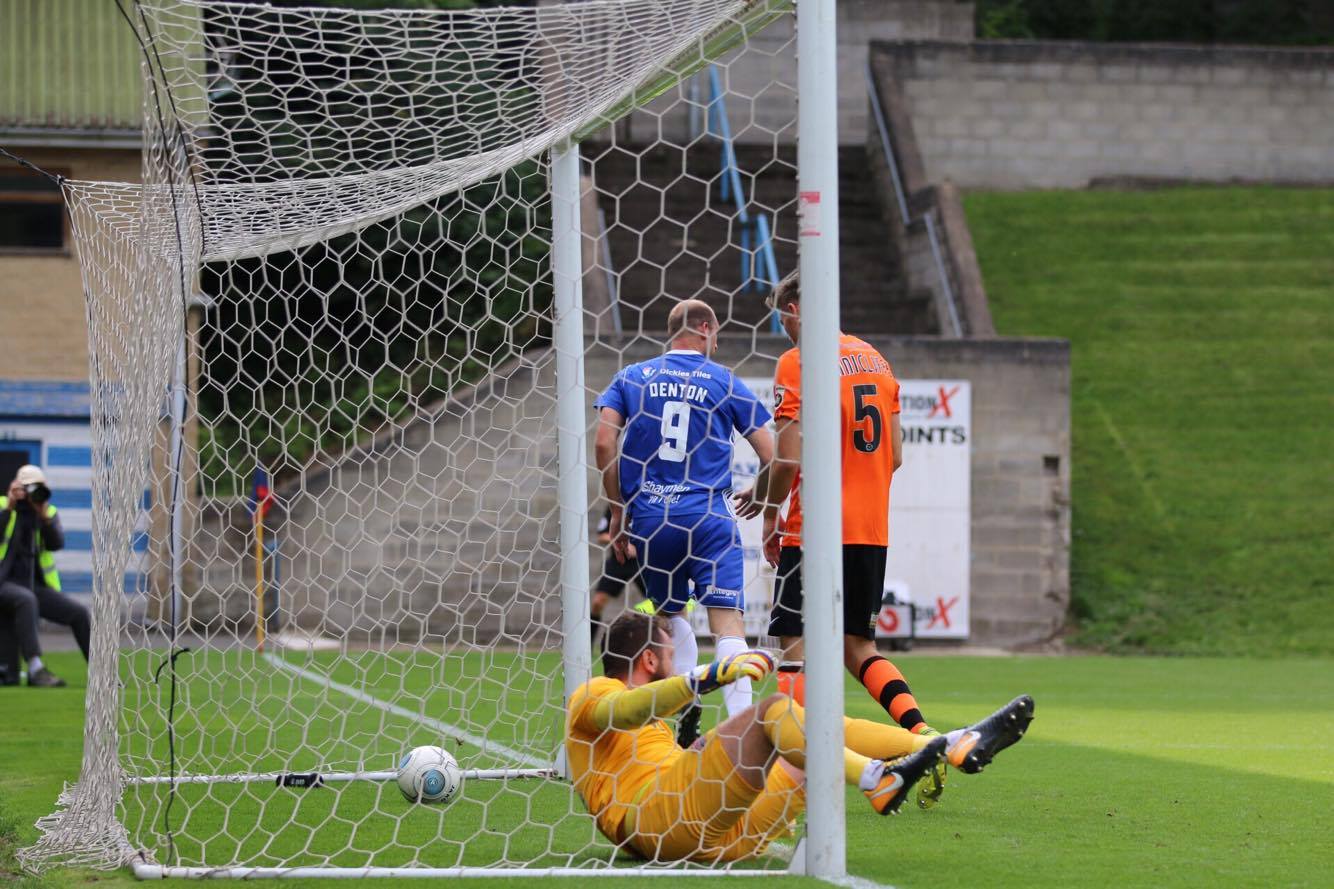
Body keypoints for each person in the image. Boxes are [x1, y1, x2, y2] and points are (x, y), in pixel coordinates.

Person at [565, 610, 1034, 864]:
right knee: (772, 711)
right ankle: (875, 778)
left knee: (807, 732)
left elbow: (652, 743)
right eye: (671, 654)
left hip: (722, 838)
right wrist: (704, 678)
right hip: (656, 822)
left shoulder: (653, 731)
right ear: (649, 661)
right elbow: (622, 711)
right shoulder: (593, 694)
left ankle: (944, 745)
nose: (677, 662)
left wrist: (701, 745)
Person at [733, 271, 946, 806]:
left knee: (795, 652)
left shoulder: (799, 360)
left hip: (818, 531)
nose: (782, 325)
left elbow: (786, 459)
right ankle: (922, 736)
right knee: (858, 647)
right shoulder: (874, 358)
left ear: (800, 308)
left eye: (783, 313)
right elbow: (895, 455)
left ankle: (790, 782)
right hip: (871, 528)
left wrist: (764, 501)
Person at [594, 299, 774, 746]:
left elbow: (603, 442)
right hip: (708, 517)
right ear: (706, 330)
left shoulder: (632, 376)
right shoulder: (723, 380)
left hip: (652, 521)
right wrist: (764, 496)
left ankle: (687, 709)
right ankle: (745, 735)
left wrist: (617, 511)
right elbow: (773, 454)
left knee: (673, 620)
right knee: (728, 626)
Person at [0, 464, 90, 687]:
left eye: (37, 488)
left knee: (78, 612)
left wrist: (43, 516)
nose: (32, 494)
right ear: (16, 487)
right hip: (4, 582)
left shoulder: (47, 511)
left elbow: (56, 543)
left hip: (34, 586)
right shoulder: (3, 505)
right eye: (28, 488)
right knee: (25, 599)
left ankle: (103, 673)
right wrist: (10, 507)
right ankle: (35, 669)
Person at [589, 506, 648, 654]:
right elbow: (602, 536)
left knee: (657, 604)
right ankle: (586, 647)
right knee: (597, 602)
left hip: (641, 562)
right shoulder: (614, 508)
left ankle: (660, 643)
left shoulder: (645, 504)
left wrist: (639, 545)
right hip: (618, 561)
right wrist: (622, 541)